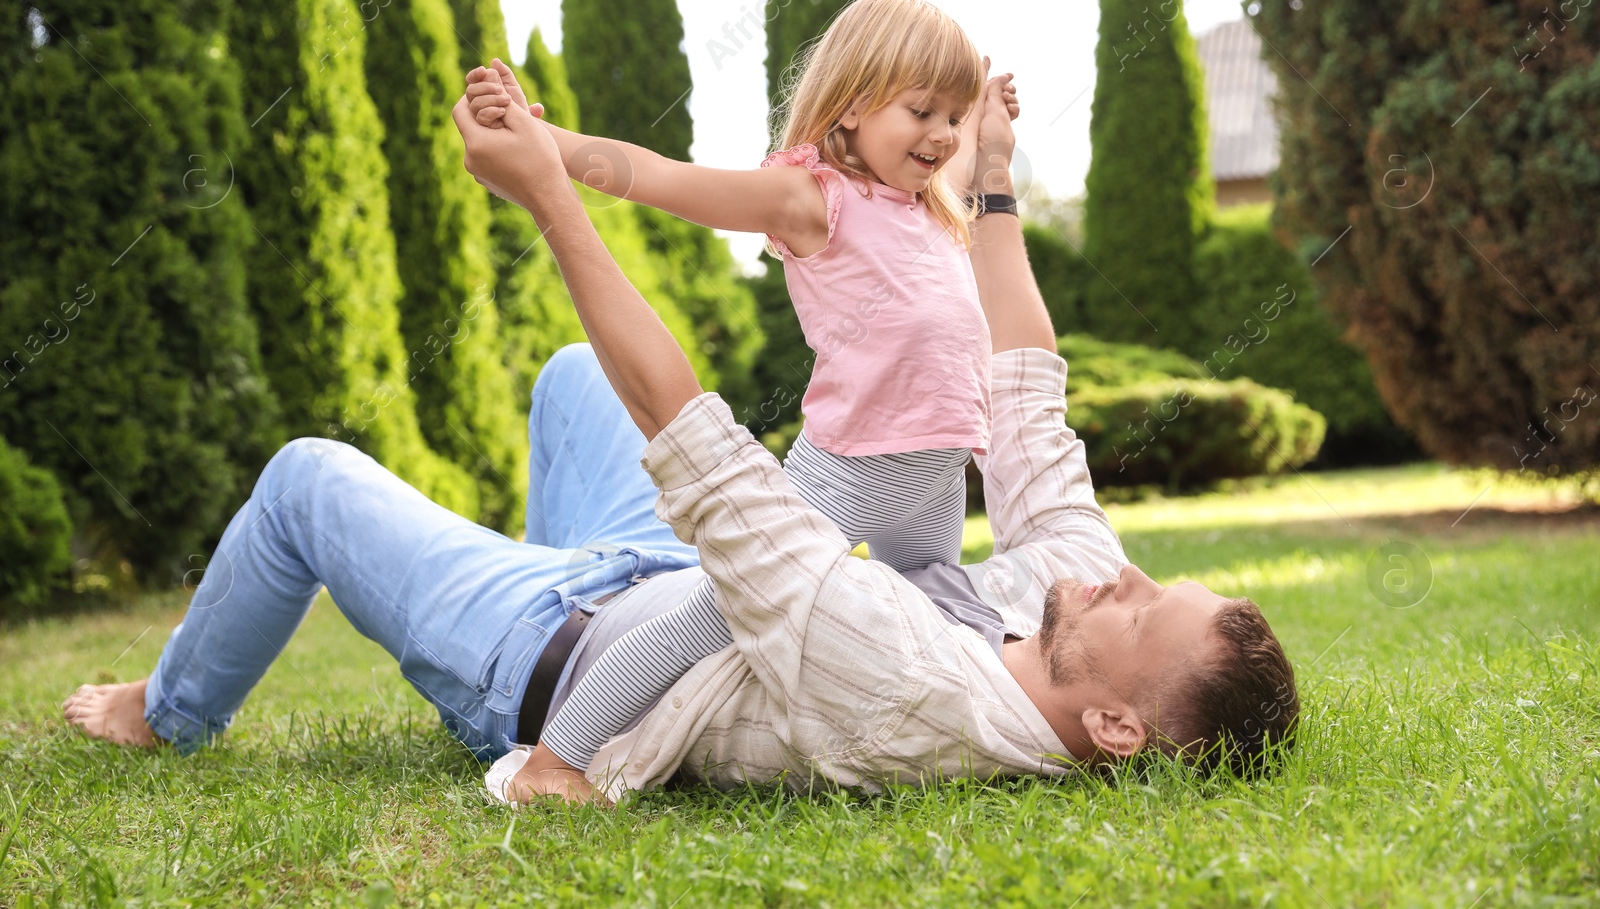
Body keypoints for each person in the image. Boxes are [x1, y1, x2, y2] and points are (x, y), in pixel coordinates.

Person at [64, 69, 1298, 806]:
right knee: (565, 378)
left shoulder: (912, 690)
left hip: (541, 646)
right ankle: (528, 563)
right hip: (655, 580)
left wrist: (549, 187)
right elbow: (1024, 394)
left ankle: (162, 711)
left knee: (304, 477)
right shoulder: (1058, 611)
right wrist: (988, 180)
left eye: (1138, 605)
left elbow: (695, 437)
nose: (1116, 570)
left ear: (1119, 728)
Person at [464, 0, 1019, 791]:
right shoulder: (813, 197)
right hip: (850, 474)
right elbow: (658, 176)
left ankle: (952, 733)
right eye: (922, 110)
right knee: (713, 615)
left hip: (934, 480)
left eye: (952, 115)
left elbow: (964, 144)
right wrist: (543, 141)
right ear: (854, 104)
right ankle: (555, 759)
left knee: (935, 608)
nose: (940, 134)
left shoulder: (930, 202)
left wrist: (987, 123)